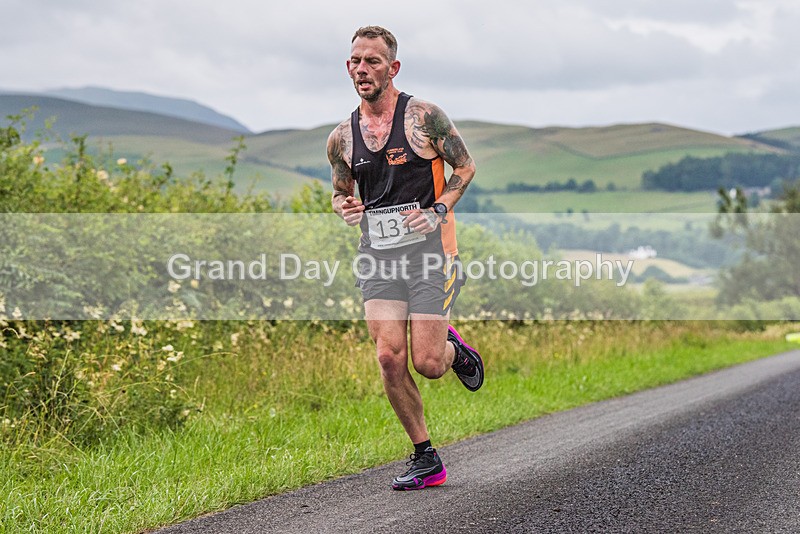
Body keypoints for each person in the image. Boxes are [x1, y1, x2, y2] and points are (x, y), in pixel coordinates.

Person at [327, 25, 484, 491]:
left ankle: (454, 350)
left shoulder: (424, 117)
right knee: (388, 357)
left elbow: (466, 166)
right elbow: (339, 194)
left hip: (431, 253)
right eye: (355, 60)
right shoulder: (341, 138)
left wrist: (438, 210)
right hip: (378, 256)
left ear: (392, 68)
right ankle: (426, 457)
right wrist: (346, 207)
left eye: (372, 61)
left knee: (428, 363)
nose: (362, 69)